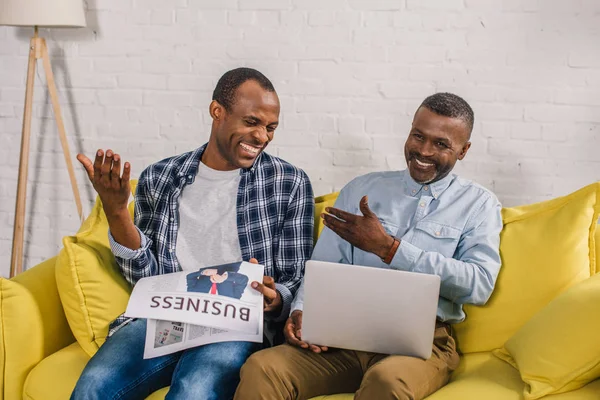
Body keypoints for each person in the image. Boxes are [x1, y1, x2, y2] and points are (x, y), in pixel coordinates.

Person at [235, 92, 503, 400]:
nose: (424, 150)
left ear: (463, 150)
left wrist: (390, 249)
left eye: (441, 144)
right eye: (418, 136)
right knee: (263, 367)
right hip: (341, 335)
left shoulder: (479, 204)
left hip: (421, 343)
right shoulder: (362, 188)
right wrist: (302, 312)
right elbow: (324, 268)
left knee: (387, 381)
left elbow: (480, 285)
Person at [70, 68, 314, 400]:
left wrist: (274, 300)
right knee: (94, 385)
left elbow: (294, 278)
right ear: (218, 112)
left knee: (194, 391)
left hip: (235, 323)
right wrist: (115, 211)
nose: (262, 137)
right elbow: (146, 277)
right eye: (252, 122)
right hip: (165, 315)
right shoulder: (160, 177)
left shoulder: (289, 183)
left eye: (270, 128)